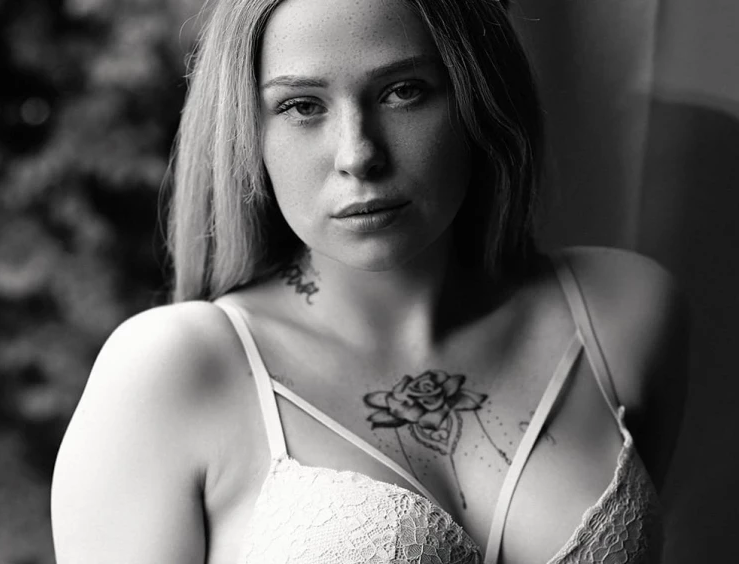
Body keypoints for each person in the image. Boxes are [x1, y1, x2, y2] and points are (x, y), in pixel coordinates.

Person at [50, 0, 690, 562]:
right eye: (302, 106)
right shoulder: (172, 369)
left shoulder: (623, 312)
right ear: (249, 132)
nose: (358, 154)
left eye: (403, 91)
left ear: (478, 96)